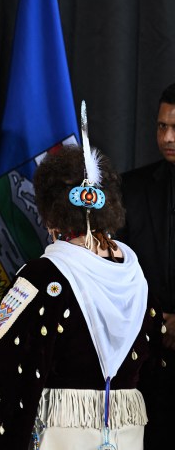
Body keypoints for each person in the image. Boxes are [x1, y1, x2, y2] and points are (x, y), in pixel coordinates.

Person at [0, 139, 163, 449]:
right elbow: (156, 370)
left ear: (50, 214)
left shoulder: (43, 279)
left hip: (61, 434)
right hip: (128, 434)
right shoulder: (135, 275)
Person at [119, 82, 175, 447]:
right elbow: (113, 269)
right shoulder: (130, 187)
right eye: (161, 126)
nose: (167, 136)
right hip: (145, 356)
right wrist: (157, 321)